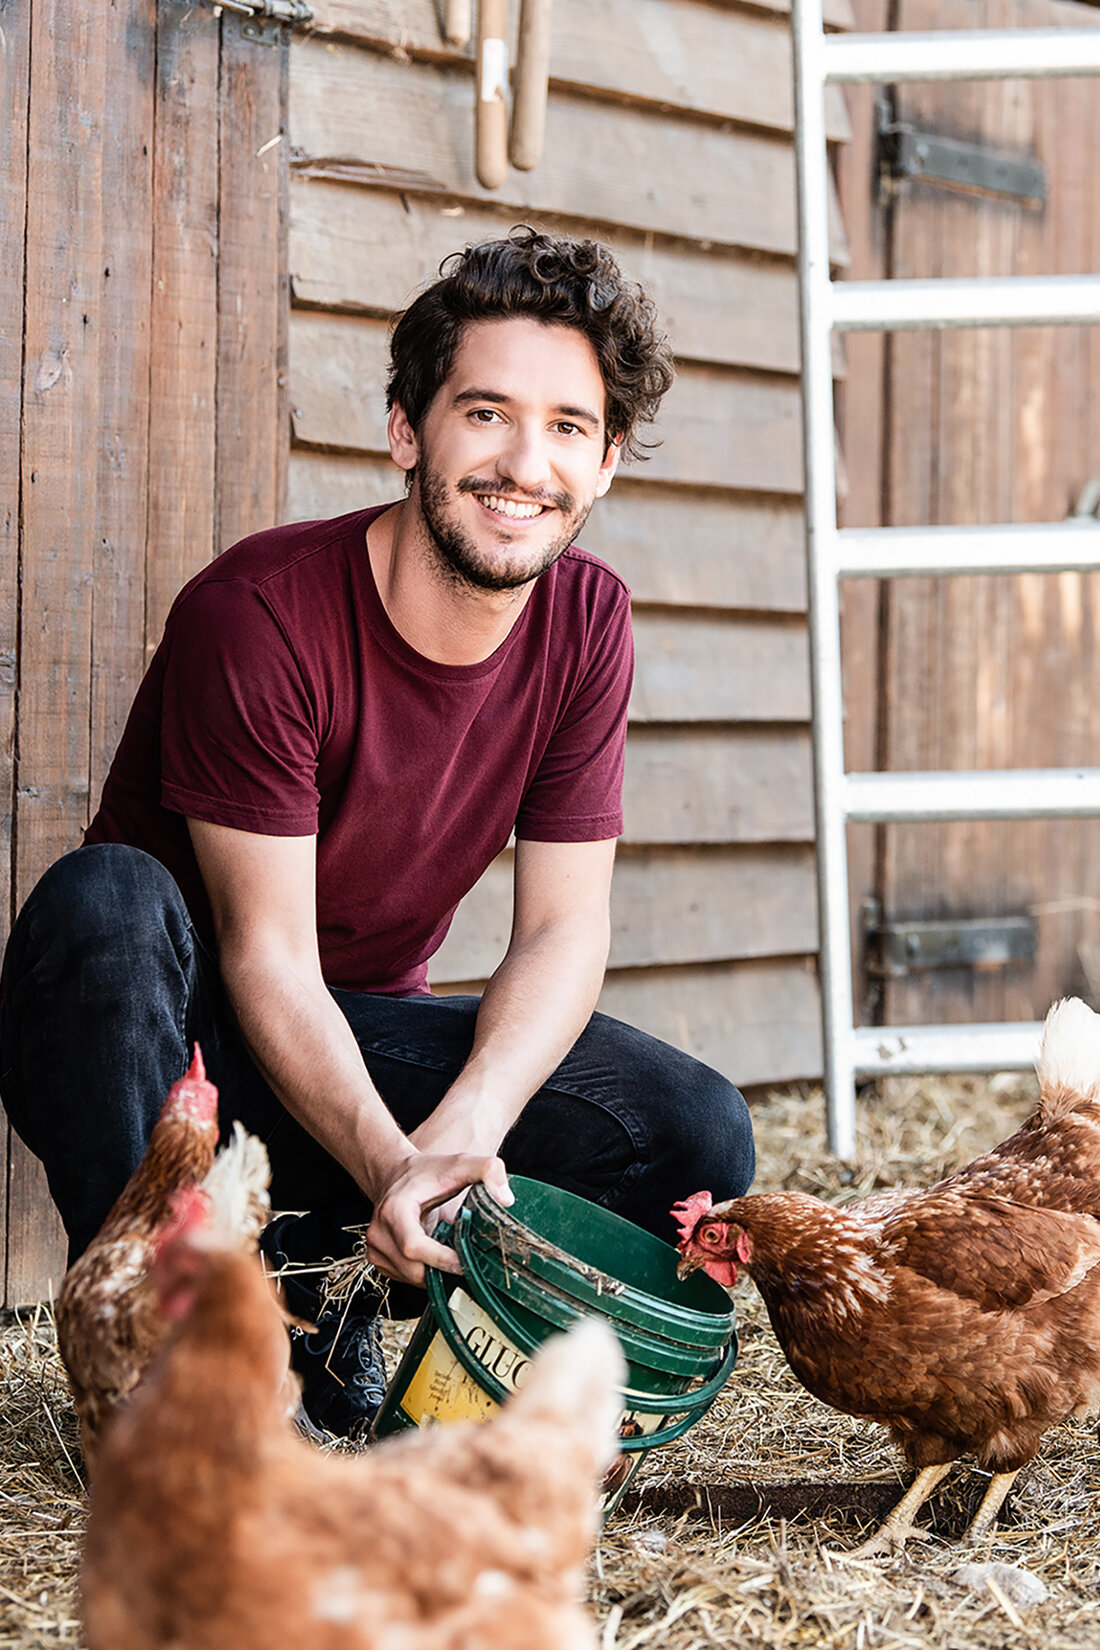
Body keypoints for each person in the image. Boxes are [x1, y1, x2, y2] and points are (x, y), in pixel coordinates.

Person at [0, 228, 755, 1439]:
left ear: (606, 461)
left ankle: (386, 1350)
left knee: (689, 1130)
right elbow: (265, 960)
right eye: (485, 413)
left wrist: (457, 1137)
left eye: (567, 426)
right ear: (408, 430)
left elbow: (561, 930)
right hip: (172, 1056)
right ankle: (167, 1380)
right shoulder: (259, 617)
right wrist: (387, 1160)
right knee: (104, 901)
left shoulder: (586, 623)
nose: (524, 463)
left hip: (349, 1042)